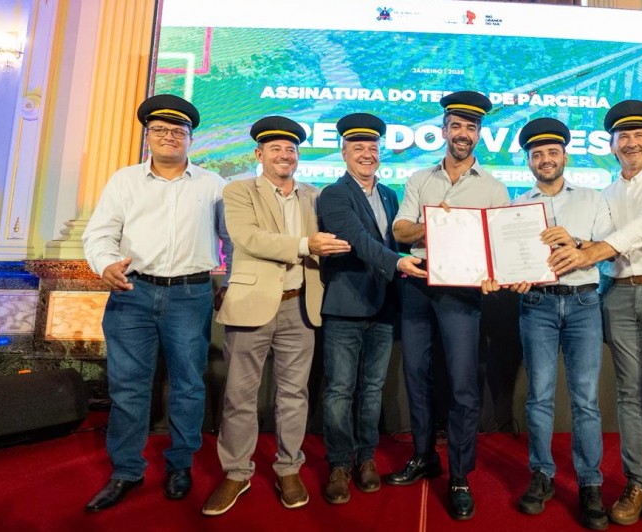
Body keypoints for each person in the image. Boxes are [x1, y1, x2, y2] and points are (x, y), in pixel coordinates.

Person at [82, 94, 232, 512]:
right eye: (160, 130)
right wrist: (107, 265)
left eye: (177, 131)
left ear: (190, 138)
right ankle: (126, 471)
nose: (169, 137)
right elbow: (99, 234)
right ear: (149, 135)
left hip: (191, 294)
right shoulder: (124, 180)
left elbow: (231, 239)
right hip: (132, 292)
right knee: (128, 387)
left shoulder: (213, 185)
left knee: (188, 384)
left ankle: (180, 464)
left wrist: (231, 281)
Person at [549, 100, 642, 532]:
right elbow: (597, 238)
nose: (630, 143)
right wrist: (563, 240)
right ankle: (636, 484)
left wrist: (588, 250)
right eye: (622, 137)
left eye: (638, 136)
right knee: (629, 396)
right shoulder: (607, 193)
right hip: (619, 295)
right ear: (611, 146)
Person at [201, 116, 351, 516]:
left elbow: (333, 239)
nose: (285, 155)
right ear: (259, 154)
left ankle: (288, 467)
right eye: (276, 149)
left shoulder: (314, 196)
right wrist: (305, 243)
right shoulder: (237, 191)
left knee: (294, 395)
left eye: (291, 149)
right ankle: (236, 472)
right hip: (252, 306)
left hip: (301, 305)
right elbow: (248, 238)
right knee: (239, 395)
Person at [481, 118, 612, 530]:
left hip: (583, 303)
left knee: (586, 399)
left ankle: (590, 483)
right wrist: (499, 275)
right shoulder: (517, 207)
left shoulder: (592, 198)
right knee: (538, 397)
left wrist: (573, 241)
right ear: (529, 162)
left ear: (564, 156)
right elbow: (503, 260)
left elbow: (607, 251)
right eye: (537, 154)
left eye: (552, 152)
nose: (545, 159)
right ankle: (542, 475)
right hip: (536, 304)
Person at [387, 90, 510, 520]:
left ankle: (459, 474)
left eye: (471, 128)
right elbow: (400, 230)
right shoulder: (420, 179)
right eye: (455, 126)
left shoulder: (494, 188)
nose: (463, 134)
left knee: (462, 385)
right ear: (443, 131)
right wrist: (430, 224)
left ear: (479, 134)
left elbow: (502, 245)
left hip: (463, 292)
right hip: (419, 284)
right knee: (416, 375)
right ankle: (424, 456)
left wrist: (498, 272)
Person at [315, 113, 427, 505]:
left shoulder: (391, 195)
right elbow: (360, 242)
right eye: (358, 148)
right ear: (344, 153)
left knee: (373, 389)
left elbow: (399, 242)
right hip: (345, 306)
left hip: (383, 306)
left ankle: (366, 459)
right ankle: (340, 463)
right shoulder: (332, 194)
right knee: (340, 390)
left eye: (372, 148)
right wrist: (398, 263)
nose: (367, 154)